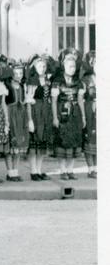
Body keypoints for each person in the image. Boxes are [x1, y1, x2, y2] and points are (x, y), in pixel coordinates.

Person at [52, 52, 85, 180]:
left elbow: (81, 100)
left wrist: (83, 117)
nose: (72, 69)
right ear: (64, 66)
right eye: (69, 66)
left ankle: (70, 170)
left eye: (73, 66)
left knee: (74, 141)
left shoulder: (79, 82)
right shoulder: (57, 82)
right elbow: (54, 101)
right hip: (62, 113)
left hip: (75, 114)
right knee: (62, 141)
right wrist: (55, 117)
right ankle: (62, 170)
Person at [26, 56, 53, 181]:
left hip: (45, 110)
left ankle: (39, 169)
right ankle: (33, 171)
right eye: (39, 66)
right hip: (36, 110)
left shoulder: (48, 80)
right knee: (34, 143)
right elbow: (29, 102)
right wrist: (30, 119)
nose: (42, 68)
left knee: (42, 143)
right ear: (35, 67)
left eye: (44, 66)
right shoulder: (32, 81)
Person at [5, 62, 30, 182]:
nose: (18, 75)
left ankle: (16, 171)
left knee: (19, 145)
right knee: (11, 145)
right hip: (11, 114)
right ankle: (10, 172)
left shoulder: (21, 86)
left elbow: (23, 101)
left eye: (21, 73)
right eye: (16, 73)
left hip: (20, 115)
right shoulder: (7, 86)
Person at [83, 67, 97, 178]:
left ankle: (98, 168)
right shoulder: (87, 79)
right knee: (90, 137)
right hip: (90, 109)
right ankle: (91, 169)